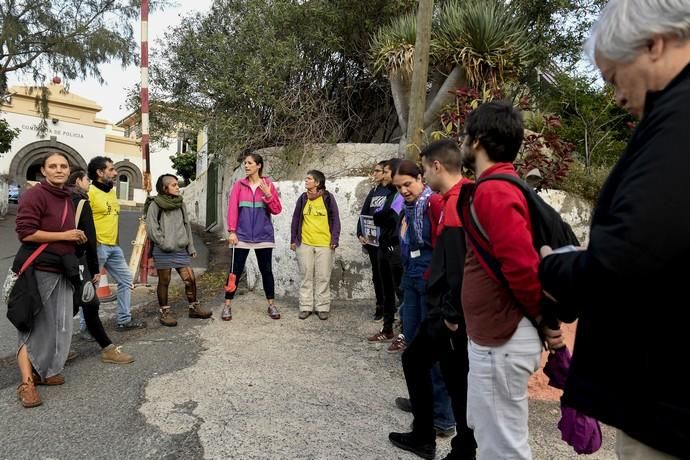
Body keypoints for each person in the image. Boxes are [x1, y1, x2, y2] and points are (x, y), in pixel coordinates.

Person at [539, 2, 690, 458]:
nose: (615, 96)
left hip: (670, 406)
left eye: (612, 77)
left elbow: (629, 256)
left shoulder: (679, 123)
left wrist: (557, 269)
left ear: (652, 44)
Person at [457, 102, 548, 459]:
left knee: (503, 447)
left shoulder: (495, 191)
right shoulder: (499, 187)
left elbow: (522, 268)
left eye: (465, 135)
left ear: (477, 141)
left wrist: (545, 321)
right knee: (489, 433)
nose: (462, 141)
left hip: (502, 336)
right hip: (495, 336)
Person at [389, 140, 476, 460]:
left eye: (422, 170)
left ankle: (434, 433)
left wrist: (451, 312)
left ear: (435, 167)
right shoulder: (460, 196)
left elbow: (457, 260)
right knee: (446, 371)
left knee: (438, 368)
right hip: (443, 301)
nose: (421, 177)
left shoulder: (447, 204)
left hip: (448, 307)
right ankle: (452, 443)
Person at [14, 152, 84, 408]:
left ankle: (45, 371)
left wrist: (74, 239)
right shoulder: (35, 195)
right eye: (52, 166)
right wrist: (66, 236)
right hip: (37, 268)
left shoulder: (67, 196)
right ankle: (26, 383)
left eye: (63, 166)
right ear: (43, 171)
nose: (58, 170)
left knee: (57, 325)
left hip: (62, 268)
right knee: (29, 324)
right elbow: (26, 233)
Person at [67, 170, 134, 364]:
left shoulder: (69, 198)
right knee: (86, 299)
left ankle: (121, 322)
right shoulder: (83, 199)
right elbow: (88, 235)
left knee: (78, 300)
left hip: (100, 249)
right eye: (85, 179)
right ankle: (103, 345)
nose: (114, 173)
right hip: (85, 254)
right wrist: (95, 267)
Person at [146, 174, 212, 327]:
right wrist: (164, 243)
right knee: (164, 281)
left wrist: (190, 246)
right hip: (163, 250)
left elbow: (186, 225)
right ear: (164, 188)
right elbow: (151, 229)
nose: (177, 187)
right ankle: (165, 312)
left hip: (180, 249)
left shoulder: (180, 203)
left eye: (177, 184)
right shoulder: (155, 205)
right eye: (174, 185)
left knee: (190, 279)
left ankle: (194, 308)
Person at [87, 156, 145, 330]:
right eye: (111, 169)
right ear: (99, 172)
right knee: (90, 288)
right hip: (97, 247)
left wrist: (116, 243)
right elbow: (83, 221)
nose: (115, 172)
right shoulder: (89, 193)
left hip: (113, 247)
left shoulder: (111, 191)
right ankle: (87, 329)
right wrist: (92, 245)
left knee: (126, 280)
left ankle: (124, 320)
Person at [222, 153, 282, 321]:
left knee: (267, 271)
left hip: (263, 236)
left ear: (259, 165)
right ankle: (227, 306)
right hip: (241, 235)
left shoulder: (268, 184)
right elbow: (232, 209)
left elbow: (277, 210)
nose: (246, 166)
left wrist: (268, 194)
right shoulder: (239, 186)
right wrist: (232, 231)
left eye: (249, 163)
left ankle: (271, 304)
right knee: (234, 271)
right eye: (245, 163)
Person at [290, 170, 341, 320]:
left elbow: (336, 219)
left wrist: (334, 239)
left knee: (323, 276)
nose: (306, 181)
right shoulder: (303, 198)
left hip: (325, 244)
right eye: (306, 178)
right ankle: (305, 307)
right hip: (305, 243)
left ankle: (322, 307)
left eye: (309, 179)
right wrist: (293, 239)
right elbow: (295, 219)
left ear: (317, 183)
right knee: (306, 275)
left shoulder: (327, 198)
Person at [367, 158, 404, 342]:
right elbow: (376, 216)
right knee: (387, 290)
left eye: (387, 172)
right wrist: (381, 216)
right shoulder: (388, 194)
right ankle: (387, 328)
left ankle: (404, 332)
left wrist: (381, 216)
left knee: (400, 292)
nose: (384, 175)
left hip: (395, 249)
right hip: (383, 248)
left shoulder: (401, 195)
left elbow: (391, 218)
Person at [356, 161, 390, 320]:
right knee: (376, 274)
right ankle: (380, 305)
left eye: (378, 171)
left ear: (385, 172)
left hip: (386, 241)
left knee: (387, 275)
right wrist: (360, 233)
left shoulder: (391, 192)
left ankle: (391, 307)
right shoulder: (374, 191)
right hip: (372, 241)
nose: (374, 174)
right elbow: (364, 213)